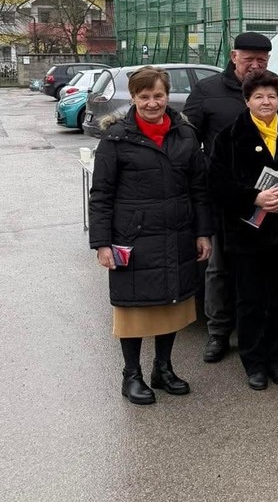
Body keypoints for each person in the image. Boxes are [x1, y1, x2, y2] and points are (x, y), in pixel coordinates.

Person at [89, 66, 213, 405]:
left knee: (171, 303)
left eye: (158, 95)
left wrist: (204, 232)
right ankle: (132, 374)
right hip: (134, 238)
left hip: (177, 234)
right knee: (133, 310)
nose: (152, 103)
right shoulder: (116, 137)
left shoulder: (185, 133)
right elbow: (101, 194)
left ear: (166, 94)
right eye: (144, 96)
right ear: (133, 97)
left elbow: (198, 189)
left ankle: (163, 368)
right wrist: (101, 243)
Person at [185, 31, 278, 364]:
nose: (255, 64)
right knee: (220, 268)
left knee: (273, 273)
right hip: (227, 198)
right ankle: (219, 332)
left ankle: (272, 334)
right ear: (233, 56)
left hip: (276, 201)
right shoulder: (206, 90)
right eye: (248, 58)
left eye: (262, 59)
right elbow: (189, 140)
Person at [208, 70, 278, 391]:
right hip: (246, 235)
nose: (266, 102)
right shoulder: (229, 137)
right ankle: (254, 362)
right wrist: (254, 197)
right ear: (247, 100)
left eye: (271, 96)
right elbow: (218, 184)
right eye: (258, 97)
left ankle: (277, 359)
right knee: (250, 300)